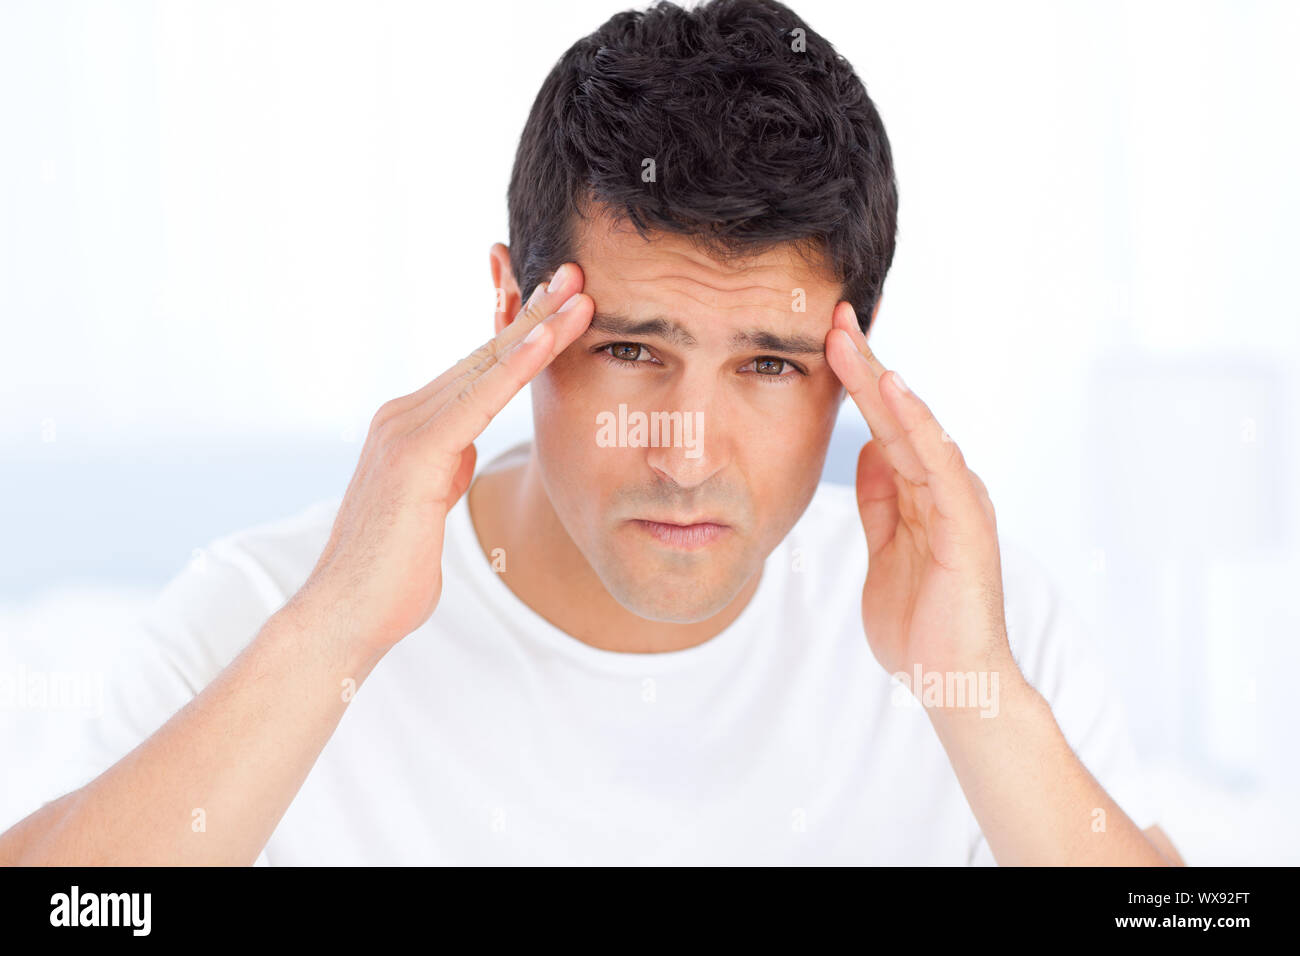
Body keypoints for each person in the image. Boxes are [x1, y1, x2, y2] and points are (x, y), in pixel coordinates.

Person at [0, 0, 1182, 865]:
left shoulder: (974, 624)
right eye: (630, 348)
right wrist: (334, 630)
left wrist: (972, 691)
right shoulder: (263, 605)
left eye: (767, 364)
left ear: (852, 361)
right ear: (515, 315)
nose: (686, 449)